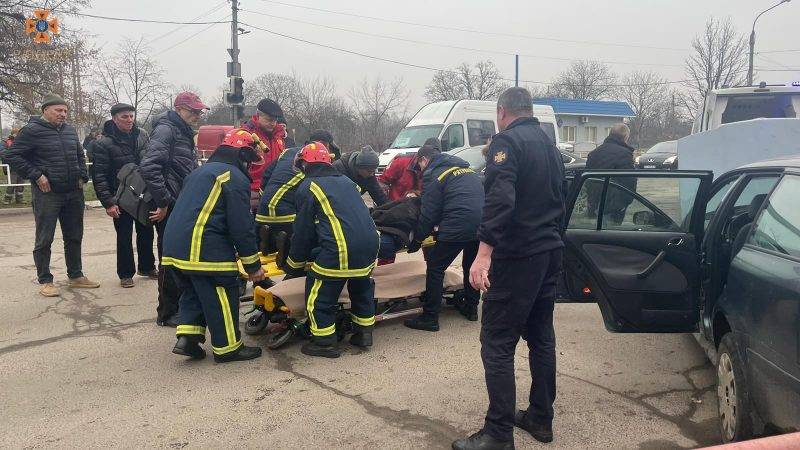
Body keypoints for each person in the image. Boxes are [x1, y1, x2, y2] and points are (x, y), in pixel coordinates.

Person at [454, 87, 565, 450]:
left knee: (497, 343)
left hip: (519, 256)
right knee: (541, 337)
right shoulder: (549, 145)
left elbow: (501, 197)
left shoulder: (508, 143)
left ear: (501, 112)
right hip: (548, 252)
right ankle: (540, 417)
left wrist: (484, 253)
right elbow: (561, 197)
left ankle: (498, 434)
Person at [163, 129, 266, 363]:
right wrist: (253, 266)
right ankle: (228, 347)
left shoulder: (200, 172)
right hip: (204, 247)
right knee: (222, 292)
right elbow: (241, 226)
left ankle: (188, 339)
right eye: (250, 162)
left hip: (174, 248)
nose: (250, 168)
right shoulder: (233, 178)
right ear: (242, 157)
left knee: (193, 292)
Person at [284, 141, 379, 359]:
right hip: (370, 245)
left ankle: (325, 343)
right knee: (361, 287)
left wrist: (294, 264)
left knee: (319, 294)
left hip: (342, 249)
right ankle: (364, 334)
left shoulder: (308, 187)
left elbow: (303, 231)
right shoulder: (347, 181)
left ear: (304, 164)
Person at [4, 93, 100, 297]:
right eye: (58, 110)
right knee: (44, 238)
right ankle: (45, 280)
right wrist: (37, 175)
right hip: (48, 194)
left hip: (73, 192)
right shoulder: (31, 131)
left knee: (74, 235)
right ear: (45, 110)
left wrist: (83, 175)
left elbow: (78, 155)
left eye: (65, 110)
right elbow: (11, 155)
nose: (63, 114)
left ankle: (75, 276)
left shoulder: (70, 131)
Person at [140, 91, 208, 327]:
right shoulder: (167, 129)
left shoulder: (181, 131)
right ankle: (168, 312)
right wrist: (164, 201)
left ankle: (179, 306)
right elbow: (149, 166)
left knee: (178, 256)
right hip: (171, 203)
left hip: (180, 200)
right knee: (169, 257)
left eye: (199, 111)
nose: (197, 115)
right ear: (179, 109)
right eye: (193, 111)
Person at [403, 143, 484, 332]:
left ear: (424, 160)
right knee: (470, 266)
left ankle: (430, 317)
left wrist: (417, 240)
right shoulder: (467, 170)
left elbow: (429, 213)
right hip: (481, 225)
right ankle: (471, 309)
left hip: (457, 225)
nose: (420, 171)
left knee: (436, 267)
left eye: (419, 166)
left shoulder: (434, 174)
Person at [91, 103, 156, 288]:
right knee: (124, 236)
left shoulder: (142, 135)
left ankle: (147, 267)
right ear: (114, 118)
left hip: (144, 194)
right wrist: (108, 203)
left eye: (131, 116)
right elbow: (99, 175)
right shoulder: (103, 143)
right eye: (124, 117)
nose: (129, 120)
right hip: (119, 197)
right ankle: (126, 274)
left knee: (146, 232)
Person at [585, 123, 636, 224]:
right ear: (626, 137)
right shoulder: (625, 154)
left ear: (610, 134)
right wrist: (625, 202)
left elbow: (588, 179)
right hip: (613, 205)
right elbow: (629, 181)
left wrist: (591, 201)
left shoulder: (594, 153)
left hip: (594, 203)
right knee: (611, 234)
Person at [241, 98, 287, 210]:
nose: (273, 124)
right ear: (258, 116)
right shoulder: (247, 135)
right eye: (269, 119)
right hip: (252, 193)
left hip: (274, 193)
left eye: (275, 120)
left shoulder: (279, 137)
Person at [2, 128, 25, 205]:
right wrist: (13, 155)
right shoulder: (5, 142)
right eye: (16, 133)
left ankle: (19, 199)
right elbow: (2, 151)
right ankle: (7, 200)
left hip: (21, 166)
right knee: (12, 183)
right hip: (11, 167)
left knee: (21, 184)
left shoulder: (22, 142)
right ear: (13, 134)